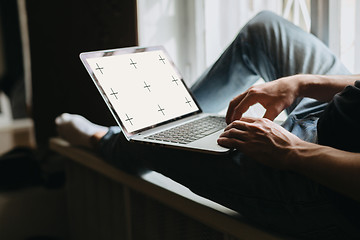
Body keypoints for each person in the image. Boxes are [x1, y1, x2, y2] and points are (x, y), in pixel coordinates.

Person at [55, 11, 360, 239]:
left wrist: (292, 151)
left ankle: (110, 142)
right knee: (262, 30)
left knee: (152, 138)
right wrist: (302, 83)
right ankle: (180, 120)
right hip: (332, 114)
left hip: (324, 180)